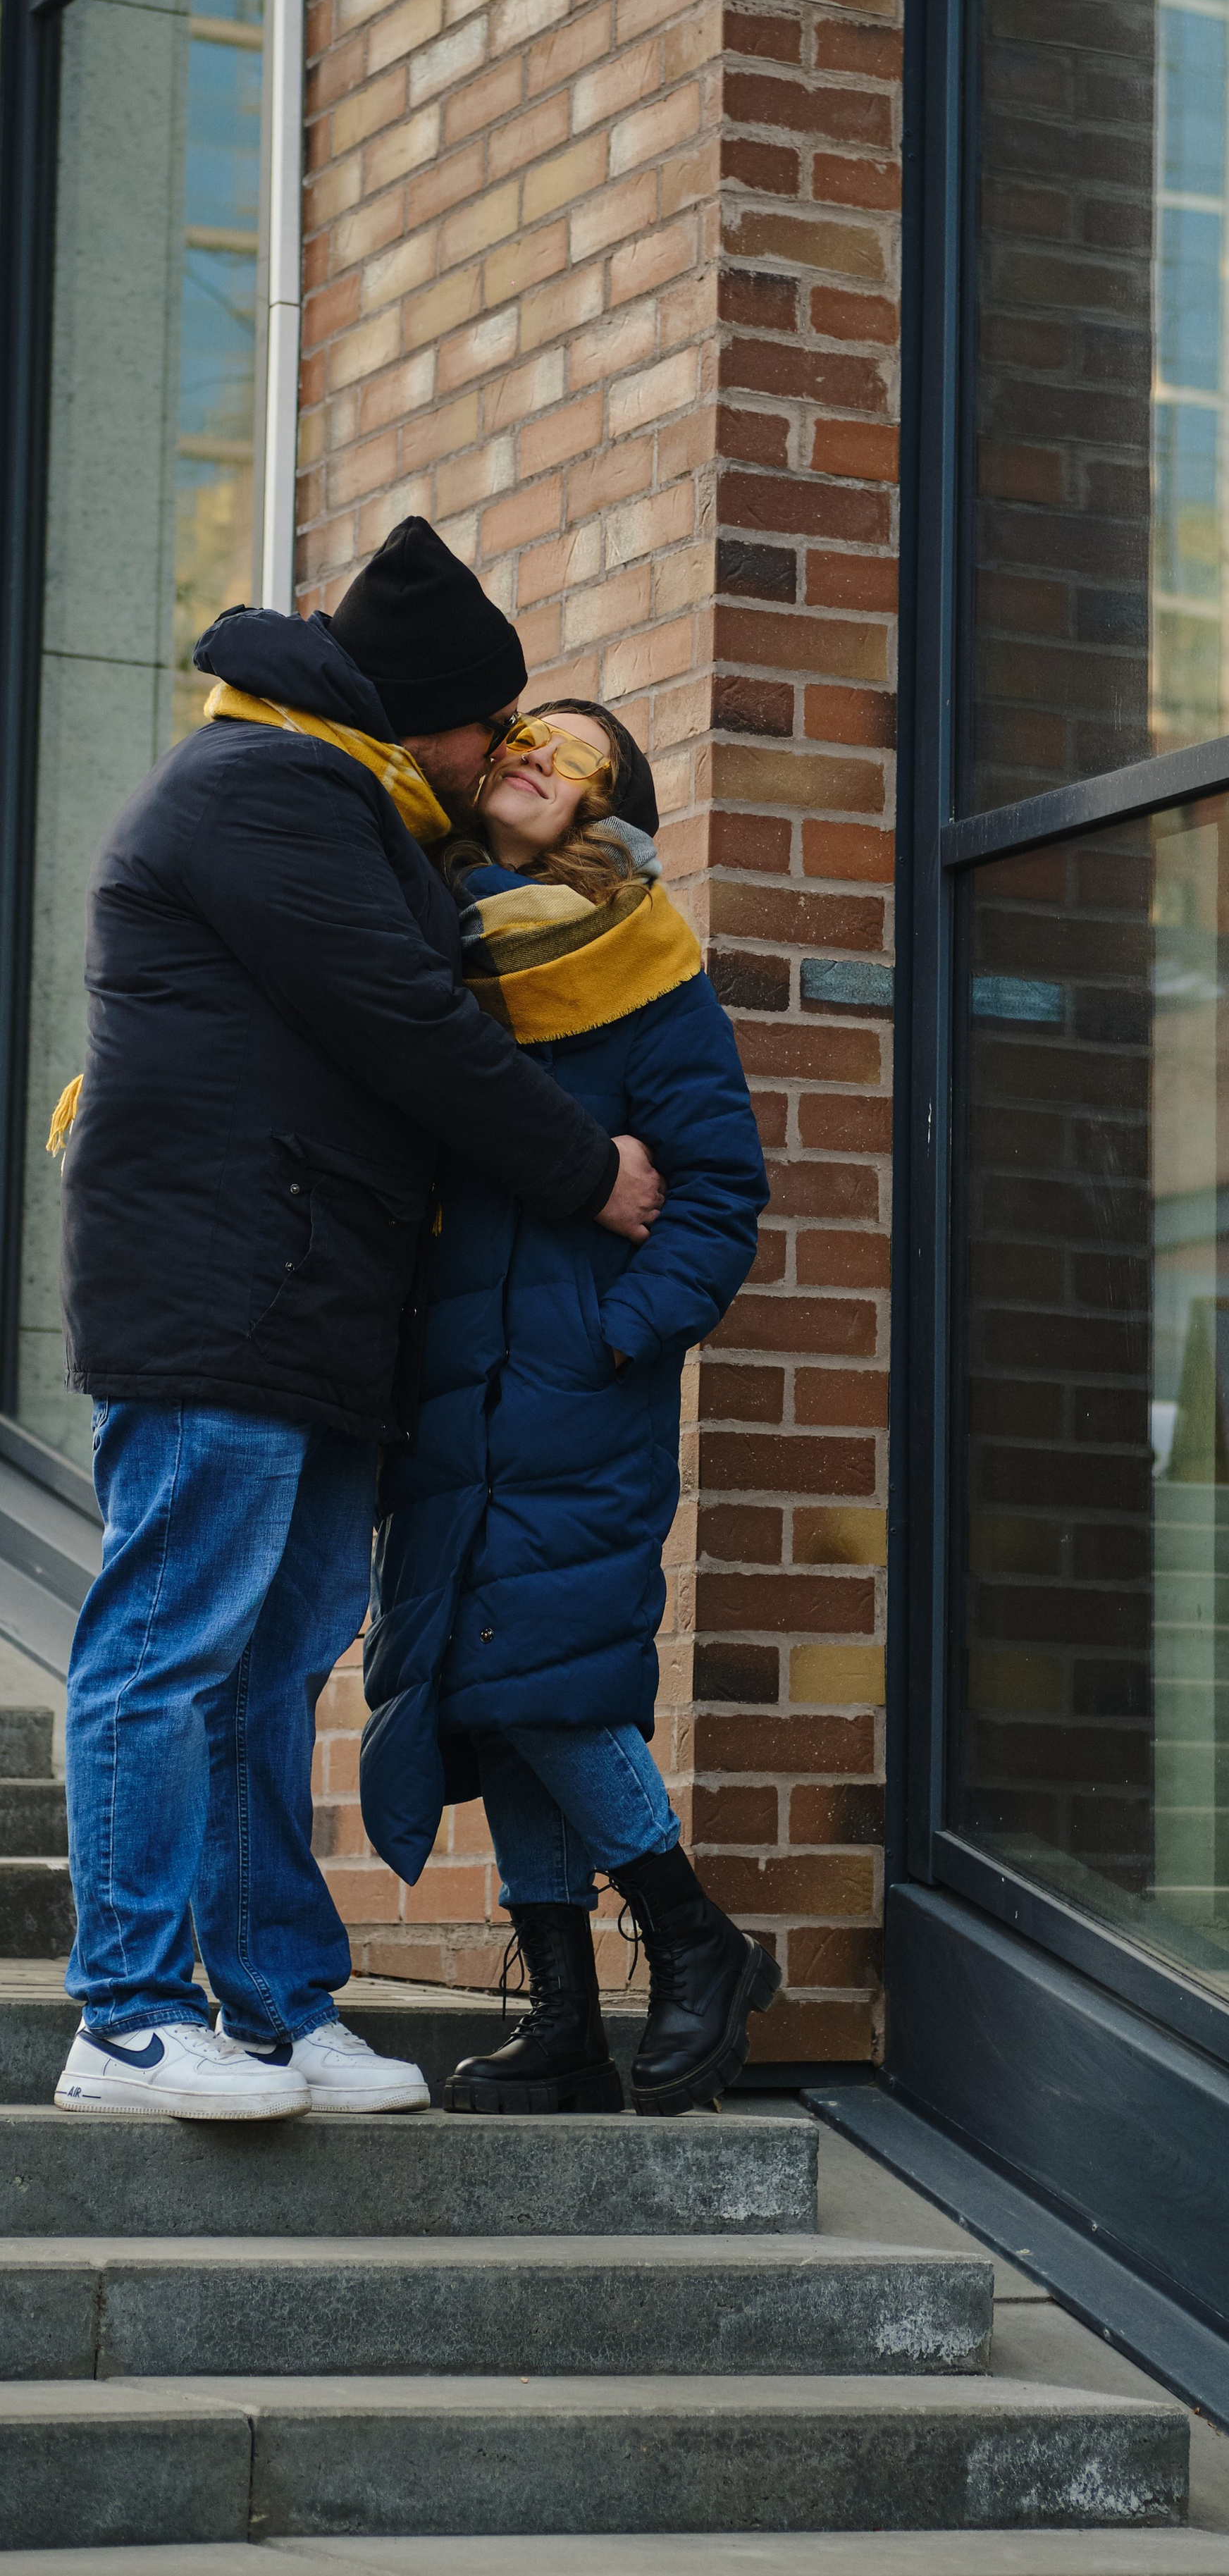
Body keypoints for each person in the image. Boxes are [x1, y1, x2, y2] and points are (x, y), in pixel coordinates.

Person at [52, 519, 662, 2124]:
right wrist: (585, 1167)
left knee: (268, 1664)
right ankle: (122, 2015)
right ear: (420, 716)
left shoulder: (346, 805)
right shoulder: (263, 790)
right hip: (219, 1294)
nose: (498, 756)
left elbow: (449, 970)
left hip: (308, 1298)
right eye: (491, 728)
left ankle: (272, 2005)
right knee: (173, 1645)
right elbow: (409, 1024)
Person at [360, 702, 776, 2117]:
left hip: (573, 1392)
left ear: (614, 807)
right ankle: (564, 2023)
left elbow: (719, 1197)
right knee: (488, 1691)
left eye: (579, 758)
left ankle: (696, 1941)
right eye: (530, 738)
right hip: (443, 1403)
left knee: (547, 1674)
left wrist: (615, 1339)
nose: (540, 757)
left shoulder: (648, 970)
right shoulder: (432, 955)